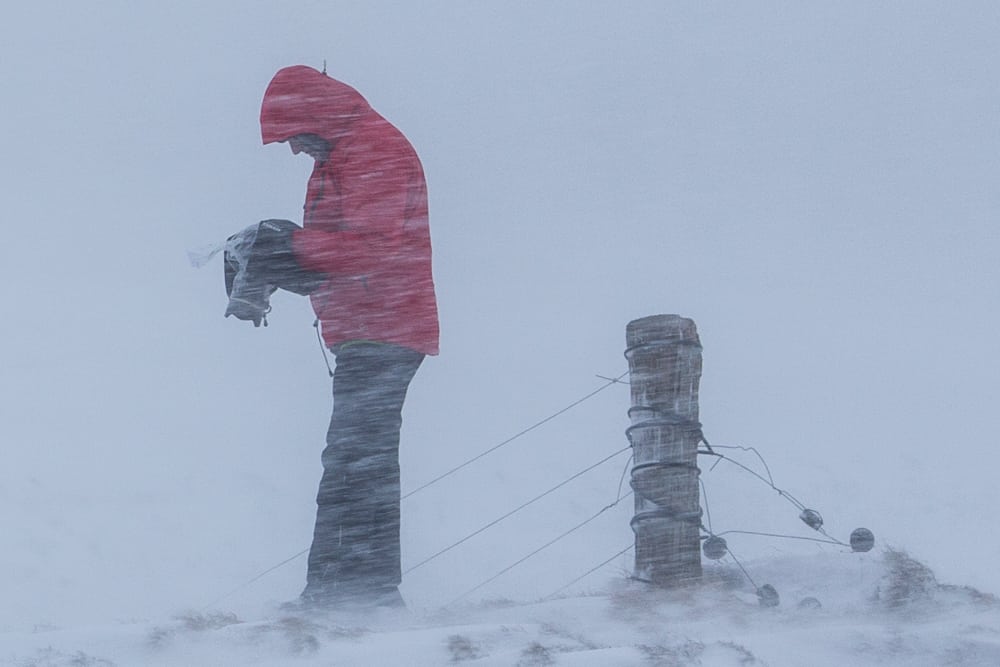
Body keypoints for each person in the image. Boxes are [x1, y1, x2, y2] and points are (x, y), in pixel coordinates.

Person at [233, 65, 439, 609]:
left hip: (387, 327)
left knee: (354, 460)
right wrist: (277, 267)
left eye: (294, 136)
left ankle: (347, 596)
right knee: (357, 459)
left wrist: (287, 249)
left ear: (315, 117)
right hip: (368, 325)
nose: (295, 150)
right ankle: (354, 591)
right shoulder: (339, 156)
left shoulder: (373, 149)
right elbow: (342, 256)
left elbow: (372, 248)